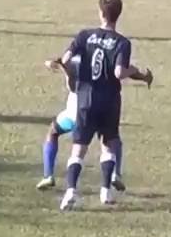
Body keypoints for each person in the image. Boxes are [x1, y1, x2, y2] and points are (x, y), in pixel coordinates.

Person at [53, 0, 153, 210]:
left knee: (78, 149)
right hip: (109, 101)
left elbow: (66, 59)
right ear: (118, 15)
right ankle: (105, 192)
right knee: (108, 145)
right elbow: (119, 72)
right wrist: (134, 71)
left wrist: (69, 72)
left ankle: (71, 192)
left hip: (85, 99)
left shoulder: (84, 35)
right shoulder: (122, 43)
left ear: (100, 13)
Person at [36, 54, 127, 193]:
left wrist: (57, 65)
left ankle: (48, 175)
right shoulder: (102, 60)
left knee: (53, 132)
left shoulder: (74, 60)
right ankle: (116, 174)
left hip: (75, 113)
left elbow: (65, 70)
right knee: (113, 139)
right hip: (99, 109)